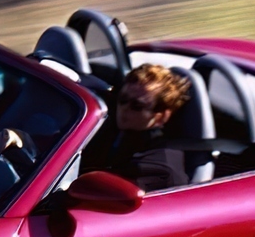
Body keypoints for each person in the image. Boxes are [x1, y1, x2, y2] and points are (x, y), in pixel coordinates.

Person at [80, 63, 192, 192]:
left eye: (137, 106)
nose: (124, 109)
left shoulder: (157, 168)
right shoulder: (103, 129)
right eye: (122, 99)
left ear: (161, 117)